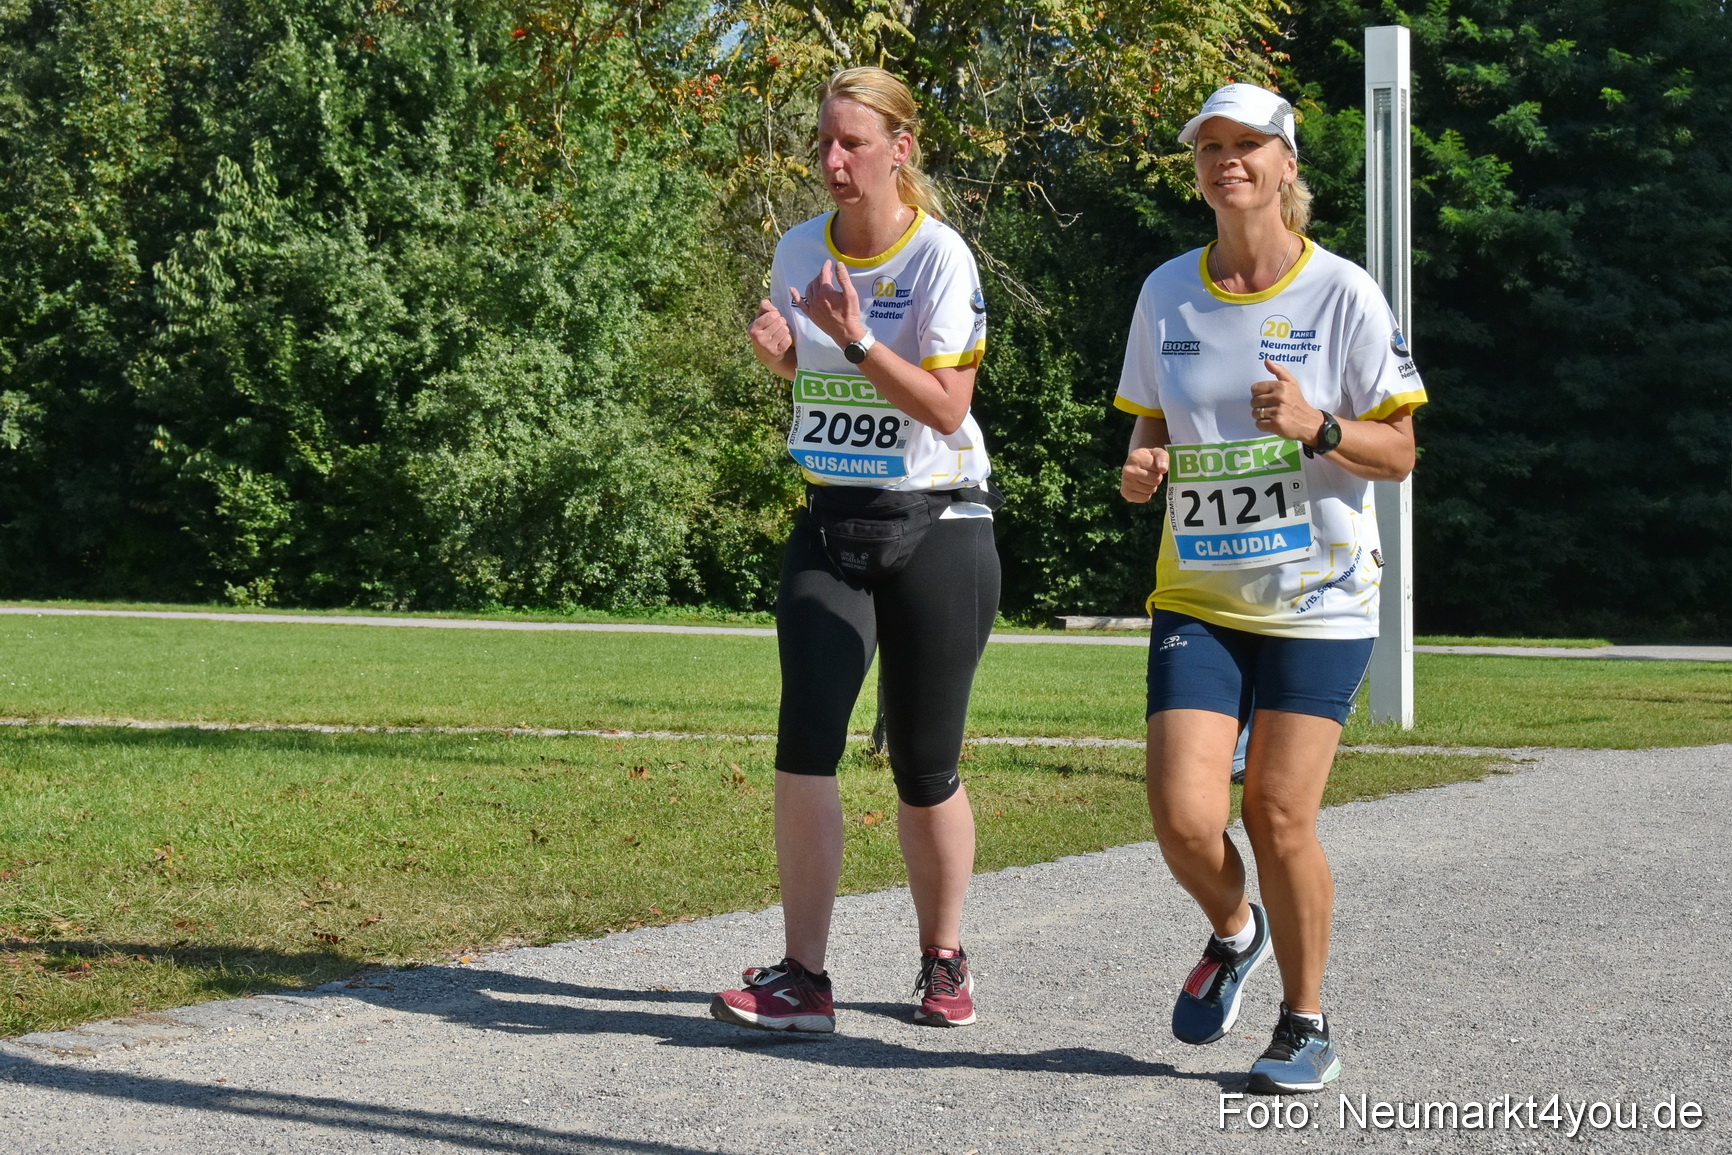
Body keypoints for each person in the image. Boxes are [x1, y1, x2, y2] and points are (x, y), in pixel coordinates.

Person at [1114, 83, 1427, 1093]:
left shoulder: (1342, 293)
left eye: (1247, 144)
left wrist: (1320, 427)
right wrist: (1139, 467)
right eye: (1208, 146)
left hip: (1320, 594)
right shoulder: (1166, 290)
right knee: (1181, 815)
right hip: (1200, 591)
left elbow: (1400, 450)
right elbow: (1149, 426)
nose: (1225, 159)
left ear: (1288, 165)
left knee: (1280, 815)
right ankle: (1233, 930)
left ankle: (1304, 1021)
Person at [710, 66, 998, 1034]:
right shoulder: (798, 246)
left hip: (939, 520)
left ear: (899, 150)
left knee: (923, 762)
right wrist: (784, 360)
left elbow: (946, 408)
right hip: (832, 516)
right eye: (822, 143)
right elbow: (820, 383)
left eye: (853, 144)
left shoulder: (940, 259)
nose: (832, 162)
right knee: (805, 741)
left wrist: (858, 339)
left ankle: (943, 957)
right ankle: (803, 978)